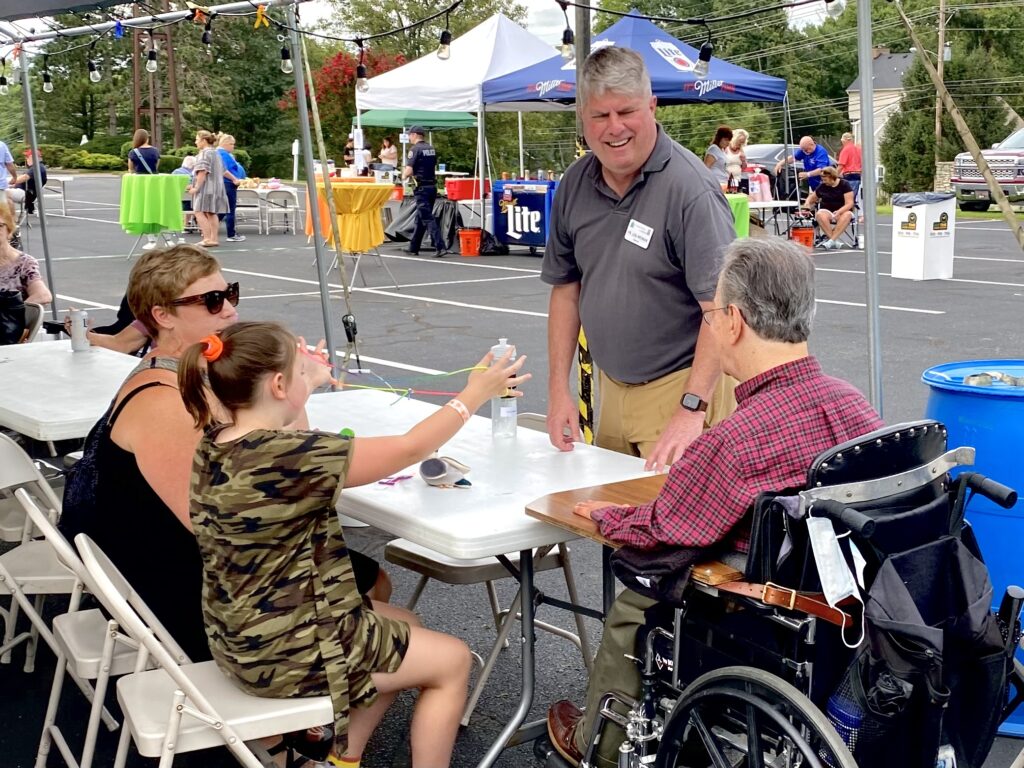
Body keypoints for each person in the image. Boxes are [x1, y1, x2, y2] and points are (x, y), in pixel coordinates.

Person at [545, 237, 884, 768]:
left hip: (765, 606)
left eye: (712, 314)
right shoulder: (852, 403)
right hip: (852, 601)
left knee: (636, 601)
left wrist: (605, 514)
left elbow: (664, 527)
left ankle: (599, 745)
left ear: (734, 321)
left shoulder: (738, 438)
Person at [179, 321, 530, 766]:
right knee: (454, 661)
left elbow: (290, 438)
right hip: (290, 649)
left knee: (406, 624)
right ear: (280, 384)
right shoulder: (295, 457)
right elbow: (411, 447)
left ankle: (343, 758)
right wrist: (475, 393)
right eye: (299, 371)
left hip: (240, 637)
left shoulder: (218, 443)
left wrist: (307, 382)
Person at [60, 246, 392, 663]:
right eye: (212, 301)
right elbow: (214, 523)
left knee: (371, 579)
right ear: (163, 316)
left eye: (230, 293)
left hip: (172, 561)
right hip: (171, 587)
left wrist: (297, 386)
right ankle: (284, 713)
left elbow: (277, 448)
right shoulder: (167, 403)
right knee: (378, 599)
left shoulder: (194, 378)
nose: (231, 311)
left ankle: (310, 709)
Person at [544, 47, 737, 474]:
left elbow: (721, 313)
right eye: (599, 116)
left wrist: (691, 411)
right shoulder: (575, 184)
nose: (614, 128)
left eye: (626, 111)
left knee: (679, 535)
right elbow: (566, 290)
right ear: (582, 117)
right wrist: (560, 392)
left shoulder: (691, 191)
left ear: (651, 106)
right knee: (613, 527)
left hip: (682, 388)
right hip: (613, 389)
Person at [402, 125, 448, 257]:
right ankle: (414, 247)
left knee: (427, 217)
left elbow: (409, 169)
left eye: (410, 134)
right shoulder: (430, 148)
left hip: (421, 188)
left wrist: (403, 176)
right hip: (431, 187)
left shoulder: (415, 149)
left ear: (415, 135)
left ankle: (440, 246)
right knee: (420, 218)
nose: (409, 137)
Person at [187, 130, 229, 248]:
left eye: (197, 139)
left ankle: (206, 238)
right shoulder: (216, 153)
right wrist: (235, 179)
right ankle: (213, 238)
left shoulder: (204, 154)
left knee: (198, 211)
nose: (195, 142)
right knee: (211, 212)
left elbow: (203, 171)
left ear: (204, 140)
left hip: (206, 188)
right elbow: (223, 170)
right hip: (217, 186)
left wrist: (195, 187)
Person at [127, 129, 164, 251]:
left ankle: (150, 238)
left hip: (140, 184)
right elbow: (156, 167)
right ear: (147, 138)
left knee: (143, 209)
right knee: (156, 207)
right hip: (154, 182)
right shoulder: (155, 151)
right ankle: (165, 234)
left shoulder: (133, 152)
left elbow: (131, 170)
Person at [804, 166, 855, 250]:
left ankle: (831, 241)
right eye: (822, 179)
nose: (823, 181)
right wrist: (807, 203)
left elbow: (850, 203)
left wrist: (839, 211)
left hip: (843, 210)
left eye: (825, 179)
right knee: (819, 214)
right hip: (827, 210)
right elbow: (812, 197)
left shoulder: (844, 184)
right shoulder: (822, 186)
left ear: (832, 177)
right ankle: (833, 241)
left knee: (847, 215)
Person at [217, 134, 247, 243]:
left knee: (222, 210)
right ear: (225, 144)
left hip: (222, 183)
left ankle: (211, 229)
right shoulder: (224, 154)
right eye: (231, 144)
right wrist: (234, 179)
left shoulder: (218, 153)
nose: (233, 147)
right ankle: (231, 234)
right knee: (230, 209)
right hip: (228, 183)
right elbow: (225, 169)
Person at [170, 154, 197, 243]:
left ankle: (185, 223)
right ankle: (188, 223)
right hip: (191, 197)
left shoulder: (175, 172)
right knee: (191, 204)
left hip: (176, 197)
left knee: (185, 203)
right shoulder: (192, 175)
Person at [14, 149, 47, 216]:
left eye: (27, 157)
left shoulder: (37, 168)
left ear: (32, 157)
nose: (26, 159)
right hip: (26, 192)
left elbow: (24, 178)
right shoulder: (37, 167)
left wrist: (7, 182)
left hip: (25, 193)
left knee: (2, 193)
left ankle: (7, 217)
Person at [837, 131, 863, 212]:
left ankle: (846, 215)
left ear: (846, 140)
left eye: (843, 141)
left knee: (847, 198)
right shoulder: (859, 149)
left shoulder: (846, 150)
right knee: (853, 196)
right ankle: (851, 214)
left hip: (849, 176)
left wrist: (833, 175)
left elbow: (841, 166)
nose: (842, 143)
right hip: (857, 175)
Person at [0, 138, 19, 218]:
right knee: (3, 207)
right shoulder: (1, 145)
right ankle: (11, 225)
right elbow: (9, 164)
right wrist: (14, 177)